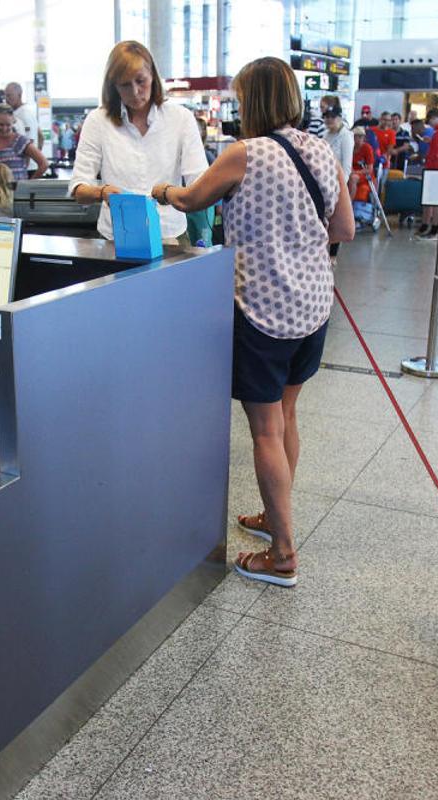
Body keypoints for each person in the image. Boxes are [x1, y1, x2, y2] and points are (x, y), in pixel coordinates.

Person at [151, 56, 354, 588]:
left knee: (264, 429)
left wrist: (161, 192)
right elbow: (346, 229)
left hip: (262, 310)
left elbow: (192, 197)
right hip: (313, 307)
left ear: (255, 101)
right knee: (286, 417)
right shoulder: (323, 152)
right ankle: (273, 516)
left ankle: (283, 553)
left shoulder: (244, 154)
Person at [68, 40, 207, 244]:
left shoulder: (181, 118)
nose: (135, 92)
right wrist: (101, 192)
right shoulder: (98, 121)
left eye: (141, 81)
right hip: (116, 238)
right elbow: (79, 188)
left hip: (169, 235)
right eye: (125, 85)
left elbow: (199, 181)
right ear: (113, 86)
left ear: (153, 76)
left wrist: (170, 194)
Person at [0, 103, 48, 181]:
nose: (4, 128)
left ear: (13, 121)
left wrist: (28, 184)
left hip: (17, 191)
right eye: (1, 125)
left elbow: (44, 163)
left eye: (8, 125)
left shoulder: (20, 141)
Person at [417, 108, 438, 239]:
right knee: (436, 200)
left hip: (434, 168)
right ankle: (430, 225)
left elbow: (435, 154)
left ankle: (433, 227)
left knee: (432, 200)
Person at [3, 81, 42, 152]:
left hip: (25, 161)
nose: (6, 99)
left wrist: (35, 160)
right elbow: (40, 136)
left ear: (19, 95)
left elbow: (29, 142)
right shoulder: (18, 113)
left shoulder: (24, 114)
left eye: (9, 96)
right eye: (5, 96)